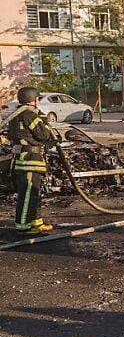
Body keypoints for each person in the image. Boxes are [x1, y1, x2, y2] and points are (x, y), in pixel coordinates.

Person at [7, 86, 58, 235]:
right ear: (34, 100)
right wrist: (44, 120)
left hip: (23, 159)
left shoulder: (16, 115)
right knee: (28, 194)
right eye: (37, 99)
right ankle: (23, 226)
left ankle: (36, 222)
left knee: (34, 193)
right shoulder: (29, 115)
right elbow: (43, 135)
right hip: (30, 161)